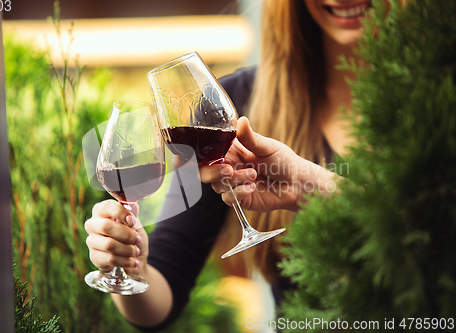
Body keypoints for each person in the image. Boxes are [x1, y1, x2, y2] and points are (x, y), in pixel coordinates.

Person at [85, 0, 367, 329]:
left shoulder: (438, 97)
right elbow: (163, 293)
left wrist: (317, 188)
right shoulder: (236, 98)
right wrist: (132, 264)